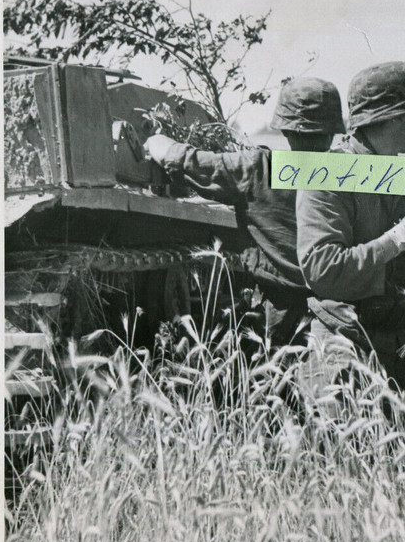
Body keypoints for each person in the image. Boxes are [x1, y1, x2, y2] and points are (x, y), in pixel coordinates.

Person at [295, 61, 405, 426]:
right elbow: (322, 270)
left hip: (398, 339)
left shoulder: (398, 176)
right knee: (353, 463)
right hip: (344, 341)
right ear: (393, 117)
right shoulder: (325, 177)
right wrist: (401, 236)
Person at [143, 77, 345, 349]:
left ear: (285, 130)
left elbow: (194, 164)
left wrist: (157, 141)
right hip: (340, 313)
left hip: (281, 314)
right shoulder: (349, 171)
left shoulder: (259, 169)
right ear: (333, 130)